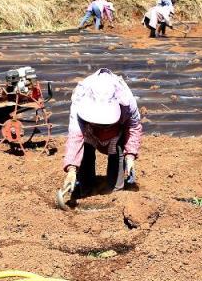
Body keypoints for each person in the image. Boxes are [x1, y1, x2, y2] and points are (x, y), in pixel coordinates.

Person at [59, 69, 142, 203]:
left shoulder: (126, 100)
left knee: (117, 152)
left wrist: (130, 155)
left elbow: (133, 127)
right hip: (89, 132)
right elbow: (76, 136)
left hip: (116, 133)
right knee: (86, 151)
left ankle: (115, 193)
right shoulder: (80, 98)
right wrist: (72, 169)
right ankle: (86, 189)